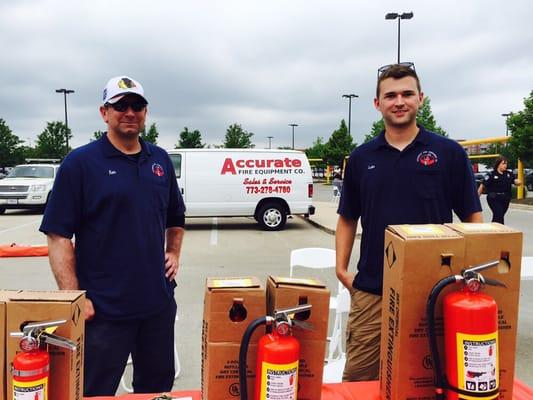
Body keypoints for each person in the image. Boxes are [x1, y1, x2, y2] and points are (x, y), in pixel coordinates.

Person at [335, 63, 483, 382]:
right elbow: (347, 217)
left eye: (407, 93)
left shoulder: (449, 154)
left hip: (435, 289)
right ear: (377, 104)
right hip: (373, 289)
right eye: (390, 95)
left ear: (421, 98)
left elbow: (472, 215)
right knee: (361, 379)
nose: (399, 101)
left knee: (429, 379)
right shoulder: (361, 158)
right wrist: (342, 269)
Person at [40, 76, 186, 395]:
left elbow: (176, 216)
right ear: (104, 112)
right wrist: (74, 298)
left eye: (137, 105)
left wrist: (173, 252)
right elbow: (58, 235)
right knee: (95, 391)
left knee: (156, 390)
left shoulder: (159, 160)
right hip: (103, 311)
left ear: (145, 113)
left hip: (156, 306)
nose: (129, 112)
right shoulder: (80, 164)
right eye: (120, 106)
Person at [478, 156, 520, 224]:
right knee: (499, 214)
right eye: (503, 163)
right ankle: (500, 232)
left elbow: (514, 180)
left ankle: (493, 231)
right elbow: (482, 185)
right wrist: (476, 198)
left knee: (499, 216)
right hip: (494, 198)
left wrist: (517, 182)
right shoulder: (491, 174)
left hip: (505, 198)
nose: (505, 165)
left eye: (506, 164)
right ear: (498, 164)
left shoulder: (508, 174)